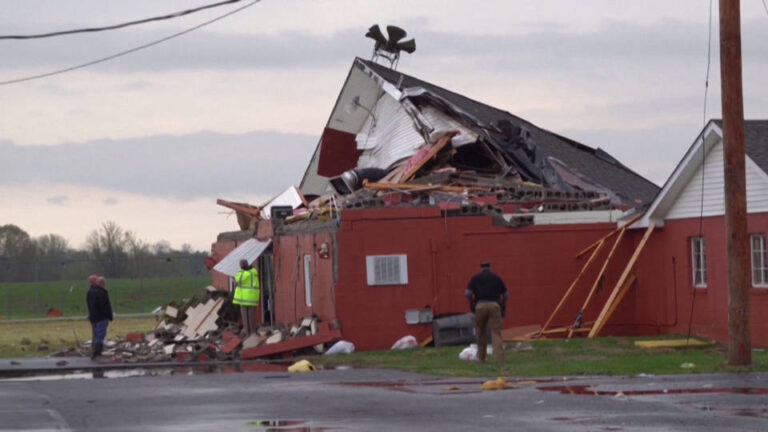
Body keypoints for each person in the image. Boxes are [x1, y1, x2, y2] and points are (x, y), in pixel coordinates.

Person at [465, 261, 508, 364]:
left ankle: (482, 359)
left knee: (480, 332)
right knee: (496, 333)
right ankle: (499, 360)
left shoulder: (475, 278)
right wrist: (503, 305)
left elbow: (468, 294)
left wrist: (472, 302)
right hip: (494, 305)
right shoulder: (497, 278)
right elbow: (506, 294)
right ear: (490, 267)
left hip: (480, 305)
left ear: (481, 268)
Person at [86, 274, 113, 360]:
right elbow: (105, 306)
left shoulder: (90, 292)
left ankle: (94, 351)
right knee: (100, 335)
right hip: (101, 318)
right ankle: (97, 353)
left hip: (93, 317)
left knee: (95, 335)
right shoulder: (101, 293)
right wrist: (109, 316)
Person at [234, 259, 260, 335]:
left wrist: (241, 271)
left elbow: (237, 279)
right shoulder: (254, 271)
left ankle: (248, 334)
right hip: (253, 298)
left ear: (242, 266)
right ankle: (252, 333)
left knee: (245, 318)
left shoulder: (243, 273)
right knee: (251, 317)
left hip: (245, 298)